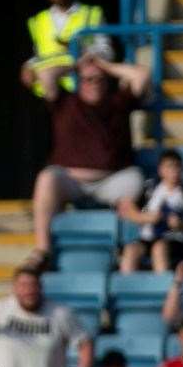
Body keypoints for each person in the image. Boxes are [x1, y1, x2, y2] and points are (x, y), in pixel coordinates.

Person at [25, 51, 149, 270]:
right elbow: (45, 75)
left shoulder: (118, 101)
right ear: (79, 81)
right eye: (88, 79)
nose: (94, 83)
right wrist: (76, 65)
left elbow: (142, 75)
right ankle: (43, 250)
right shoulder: (64, 101)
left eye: (99, 79)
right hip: (70, 179)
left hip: (112, 179)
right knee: (46, 178)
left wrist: (105, 65)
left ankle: (127, 250)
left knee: (135, 179)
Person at [117, 148, 183, 273]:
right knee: (131, 249)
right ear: (161, 169)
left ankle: (161, 288)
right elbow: (127, 208)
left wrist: (182, 224)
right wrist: (145, 217)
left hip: (175, 241)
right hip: (147, 239)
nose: (174, 171)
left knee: (159, 247)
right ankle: (126, 288)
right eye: (169, 167)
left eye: (177, 167)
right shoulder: (150, 188)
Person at [22, 0, 107, 98]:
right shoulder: (39, 20)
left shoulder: (90, 14)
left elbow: (105, 51)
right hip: (48, 93)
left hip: (81, 88)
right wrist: (28, 66)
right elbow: (39, 54)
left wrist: (78, 46)